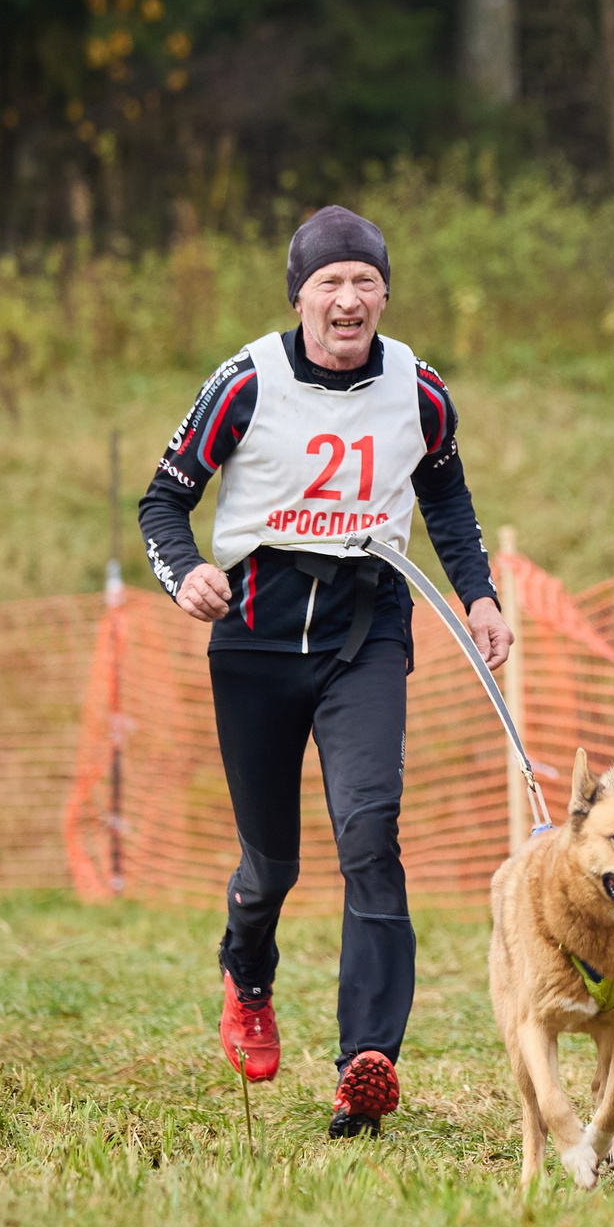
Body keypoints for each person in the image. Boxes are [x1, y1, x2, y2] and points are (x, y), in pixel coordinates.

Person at [138, 205, 514, 1139]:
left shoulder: (418, 389)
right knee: (273, 863)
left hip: (365, 634)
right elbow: (163, 500)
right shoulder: (244, 382)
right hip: (257, 637)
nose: (349, 300)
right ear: (300, 294)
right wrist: (187, 573)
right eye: (329, 284)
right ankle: (248, 973)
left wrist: (480, 594)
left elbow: (449, 497)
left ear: (385, 292)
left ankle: (365, 1061)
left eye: (365, 283)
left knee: (370, 831)